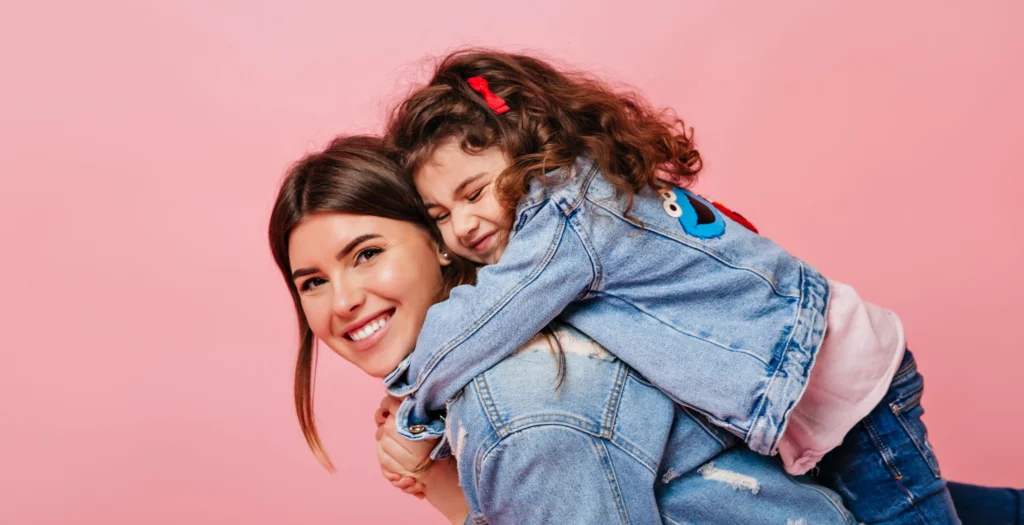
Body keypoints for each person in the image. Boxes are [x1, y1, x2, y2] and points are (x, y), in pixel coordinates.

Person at [381, 49, 1022, 524]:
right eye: (439, 214)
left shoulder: (565, 218)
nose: (462, 224)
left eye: (473, 192)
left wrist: (413, 415)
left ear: (534, 151)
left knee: (904, 508)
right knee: (901, 498)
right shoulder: (592, 194)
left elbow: (484, 317)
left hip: (852, 398)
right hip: (812, 392)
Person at [267, 135, 864, 524]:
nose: (342, 300)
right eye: (311, 282)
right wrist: (436, 473)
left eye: (366, 254)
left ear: (440, 241)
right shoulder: (499, 375)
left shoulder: (522, 397)